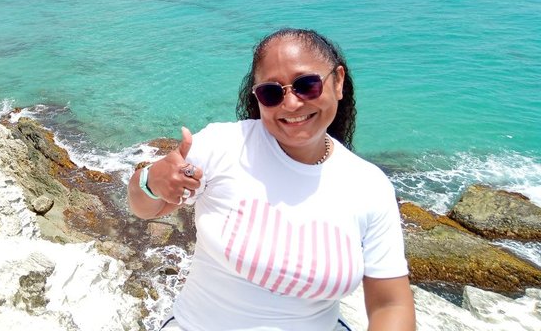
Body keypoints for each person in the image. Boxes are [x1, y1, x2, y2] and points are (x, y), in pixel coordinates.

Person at [128, 28, 415, 331]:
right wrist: (150, 180)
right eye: (272, 92)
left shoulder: (369, 186)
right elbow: (145, 207)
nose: (290, 104)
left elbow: (390, 303)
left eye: (307, 85)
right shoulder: (224, 146)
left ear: (338, 81)